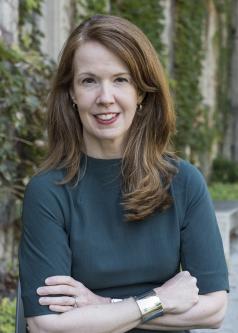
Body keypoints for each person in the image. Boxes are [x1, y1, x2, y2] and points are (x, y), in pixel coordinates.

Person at [19, 14, 229, 333]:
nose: (106, 97)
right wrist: (159, 299)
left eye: (121, 79)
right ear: (72, 94)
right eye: (89, 80)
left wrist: (104, 306)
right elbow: (46, 325)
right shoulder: (48, 190)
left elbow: (213, 310)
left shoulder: (183, 182)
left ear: (141, 92)